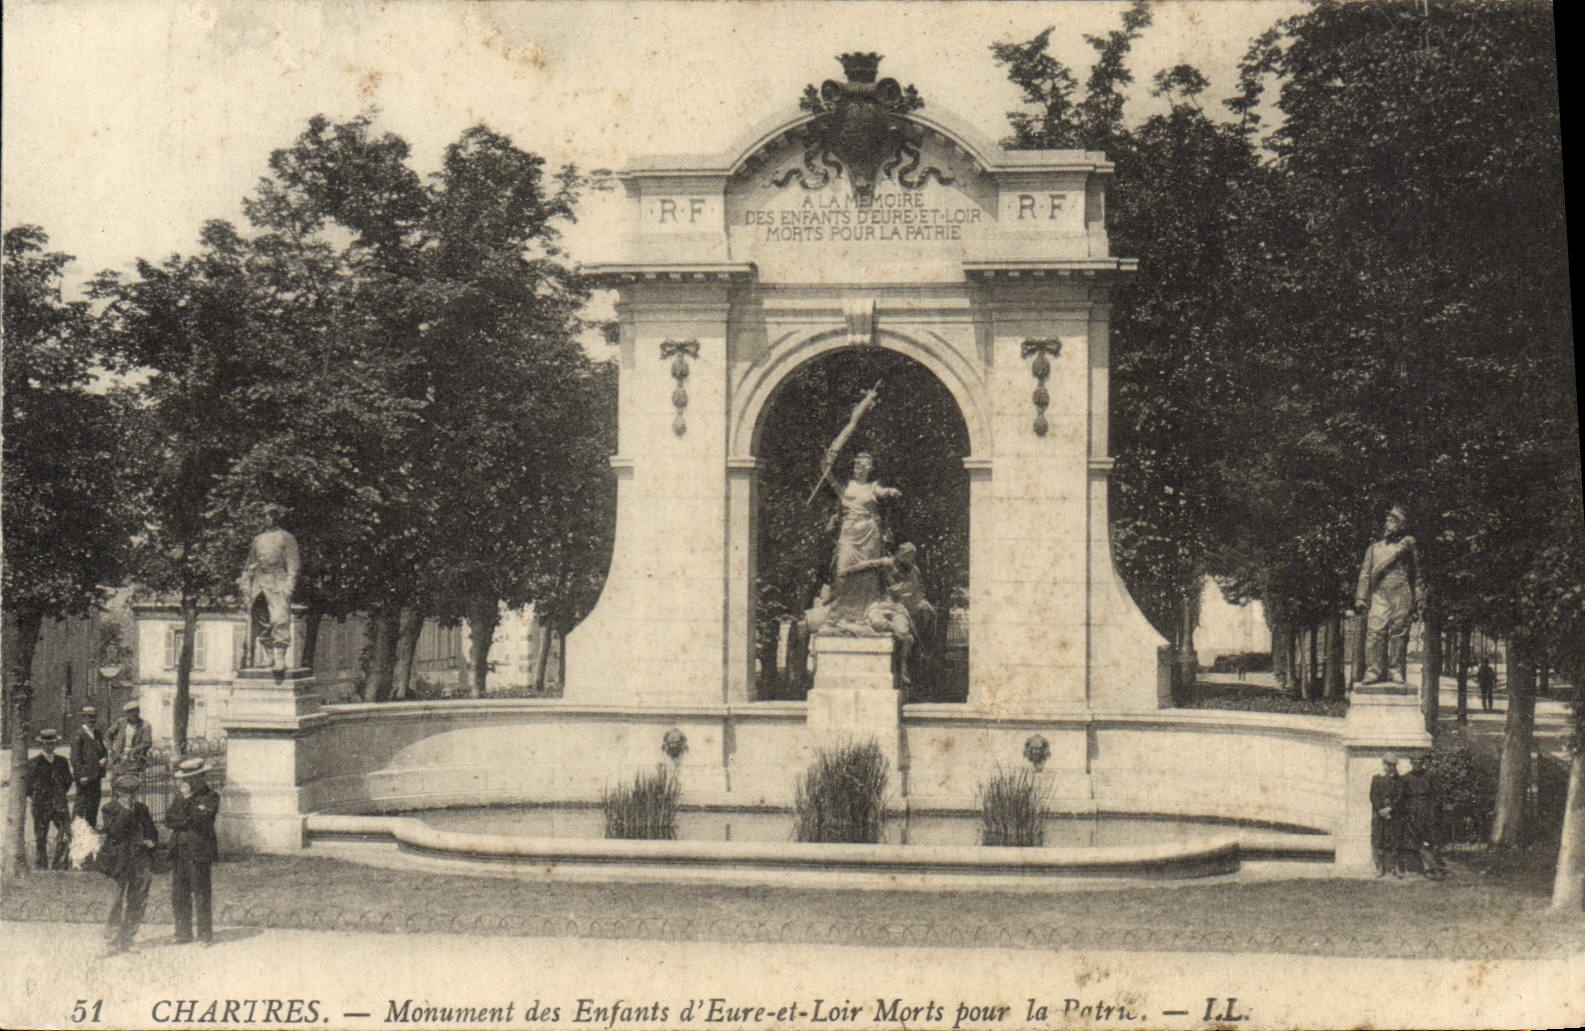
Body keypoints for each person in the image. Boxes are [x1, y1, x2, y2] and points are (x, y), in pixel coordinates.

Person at [822, 451, 902, 627]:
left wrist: (890, 492)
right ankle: (840, 611)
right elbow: (829, 478)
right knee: (842, 571)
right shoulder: (847, 486)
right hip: (849, 533)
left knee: (867, 574)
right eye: (856, 465)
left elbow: (882, 492)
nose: (857, 468)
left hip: (869, 532)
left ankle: (865, 614)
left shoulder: (872, 487)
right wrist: (826, 462)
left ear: (869, 469)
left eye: (862, 466)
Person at [1354, 505, 1418, 684]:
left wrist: (1418, 599)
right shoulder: (1374, 549)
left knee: (1398, 634)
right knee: (1374, 632)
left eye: (1392, 522)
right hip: (1380, 595)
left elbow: (1417, 573)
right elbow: (1365, 574)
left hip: (1401, 593)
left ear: (1400, 525)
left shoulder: (1408, 546)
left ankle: (1396, 670)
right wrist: (1361, 597)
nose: (1388, 525)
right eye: (1388, 521)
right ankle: (1373, 671)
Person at [99, 773, 158, 955]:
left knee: (137, 900)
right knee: (115, 901)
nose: (131, 796)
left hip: (140, 860)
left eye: (133, 792)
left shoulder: (142, 809)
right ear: (118, 793)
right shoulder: (109, 809)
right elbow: (114, 831)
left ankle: (128, 938)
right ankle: (110, 942)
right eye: (127, 792)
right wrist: (125, 810)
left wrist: (151, 841)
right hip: (119, 861)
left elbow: (152, 831)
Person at [165, 757, 221, 945]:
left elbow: (201, 819)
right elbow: (169, 819)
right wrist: (186, 816)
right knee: (179, 894)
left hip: (199, 851)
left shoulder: (211, 797)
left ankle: (205, 935)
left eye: (190, 778)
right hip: (180, 851)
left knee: (201, 893)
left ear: (201, 777)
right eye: (184, 779)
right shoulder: (180, 797)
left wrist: (186, 811)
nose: (186, 782)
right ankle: (183, 933)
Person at [238, 507, 301, 671]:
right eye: (265, 515)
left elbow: (293, 563)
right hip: (259, 583)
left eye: (271, 515)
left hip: (278, 581)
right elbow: (249, 564)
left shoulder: (286, 538)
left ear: (277, 517)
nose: (268, 518)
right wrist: (245, 583)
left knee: (279, 619)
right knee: (261, 620)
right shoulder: (257, 540)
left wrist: (290, 585)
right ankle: (269, 656)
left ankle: (280, 658)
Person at [26, 728, 74, 870]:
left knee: (66, 832)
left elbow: (68, 781)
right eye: (46, 743)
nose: (49, 746)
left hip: (59, 804)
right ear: (42, 744)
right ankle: (41, 866)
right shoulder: (34, 762)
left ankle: (59, 864)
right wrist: (38, 796)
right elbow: (28, 786)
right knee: (41, 836)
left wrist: (58, 793)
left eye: (52, 743)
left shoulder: (62, 761)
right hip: (40, 804)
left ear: (55, 744)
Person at [1402, 753, 1446, 879]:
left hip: (1428, 811)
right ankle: (1430, 869)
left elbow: (1437, 794)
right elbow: (1403, 797)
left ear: (1423, 763)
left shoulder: (1430, 776)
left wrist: (1433, 809)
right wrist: (1408, 811)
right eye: (1414, 763)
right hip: (1412, 812)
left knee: (1429, 840)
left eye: (1419, 763)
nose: (1417, 765)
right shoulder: (1406, 778)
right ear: (1411, 763)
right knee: (1418, 840)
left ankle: (1432, 867)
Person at [70, 704, 107, 828]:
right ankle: (76, 830)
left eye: (94, 717)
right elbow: (75, 758)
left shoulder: (97, 733)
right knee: (81, 804)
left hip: (96, 775)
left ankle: (91, 828)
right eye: (89, 717)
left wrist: (104, 758)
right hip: (84, 777)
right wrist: (82, 775)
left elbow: (103, 750)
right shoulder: (78, 734)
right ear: (83, 718)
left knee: (94, 803)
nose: (92, 720)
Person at [1369, 754, 1405, 878]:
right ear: (1383, 764)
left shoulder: (1399, 780)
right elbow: (1373, 796)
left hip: (1394, 815)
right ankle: (1379, 867)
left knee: (1395, 840)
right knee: (1378, 840)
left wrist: (1390, 809)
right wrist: (1381, 810)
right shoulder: (1377, 779)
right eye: (1387, 764)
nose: (1389, 767)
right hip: (1379, 816)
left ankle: (1396, 867)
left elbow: (1400, 796)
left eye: (1392, 765)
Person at [107, 700, 152, 774]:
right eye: (128, 712)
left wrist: (133, 750)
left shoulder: (145, 725)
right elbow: (108, 734)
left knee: (133, 778)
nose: (130, 714)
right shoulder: (121, 722)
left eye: (132, 712)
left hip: (136, 759)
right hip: (119, 757)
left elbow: (147, 742)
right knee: (117, 778)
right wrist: (110, 749)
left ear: (138, 712)